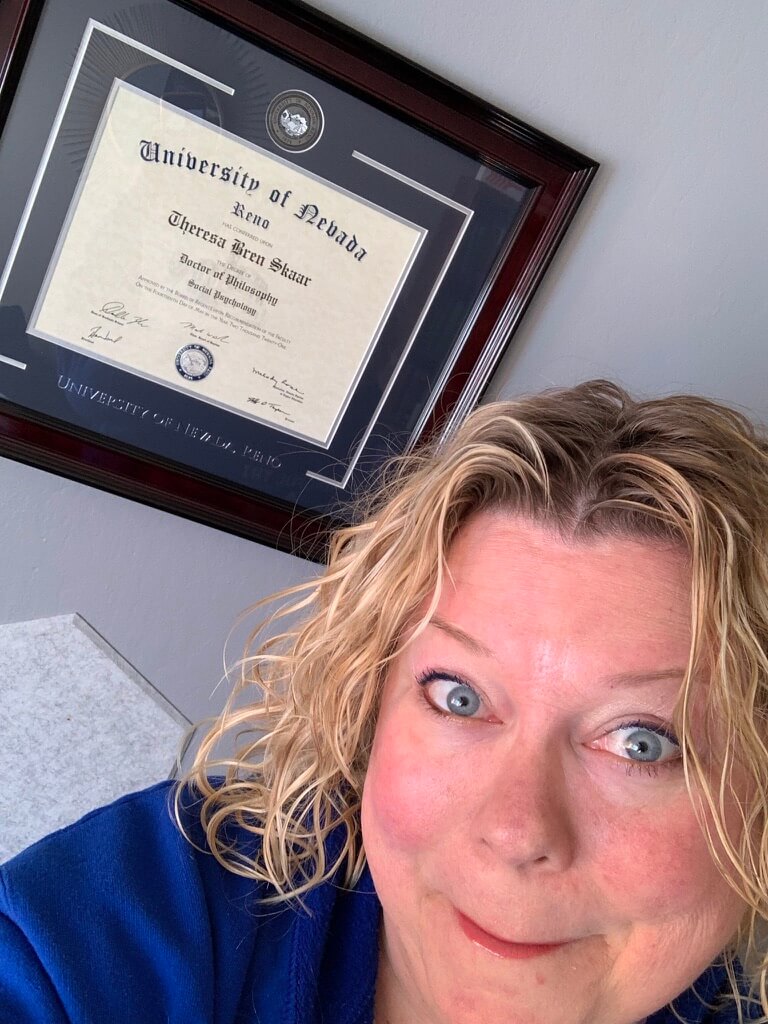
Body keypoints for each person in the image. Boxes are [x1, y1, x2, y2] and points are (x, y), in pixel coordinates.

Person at [2, 378, 768, 1024]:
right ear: (369, 707)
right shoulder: (158, 913)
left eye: (643, 742)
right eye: (460, 697)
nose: (515, 830)